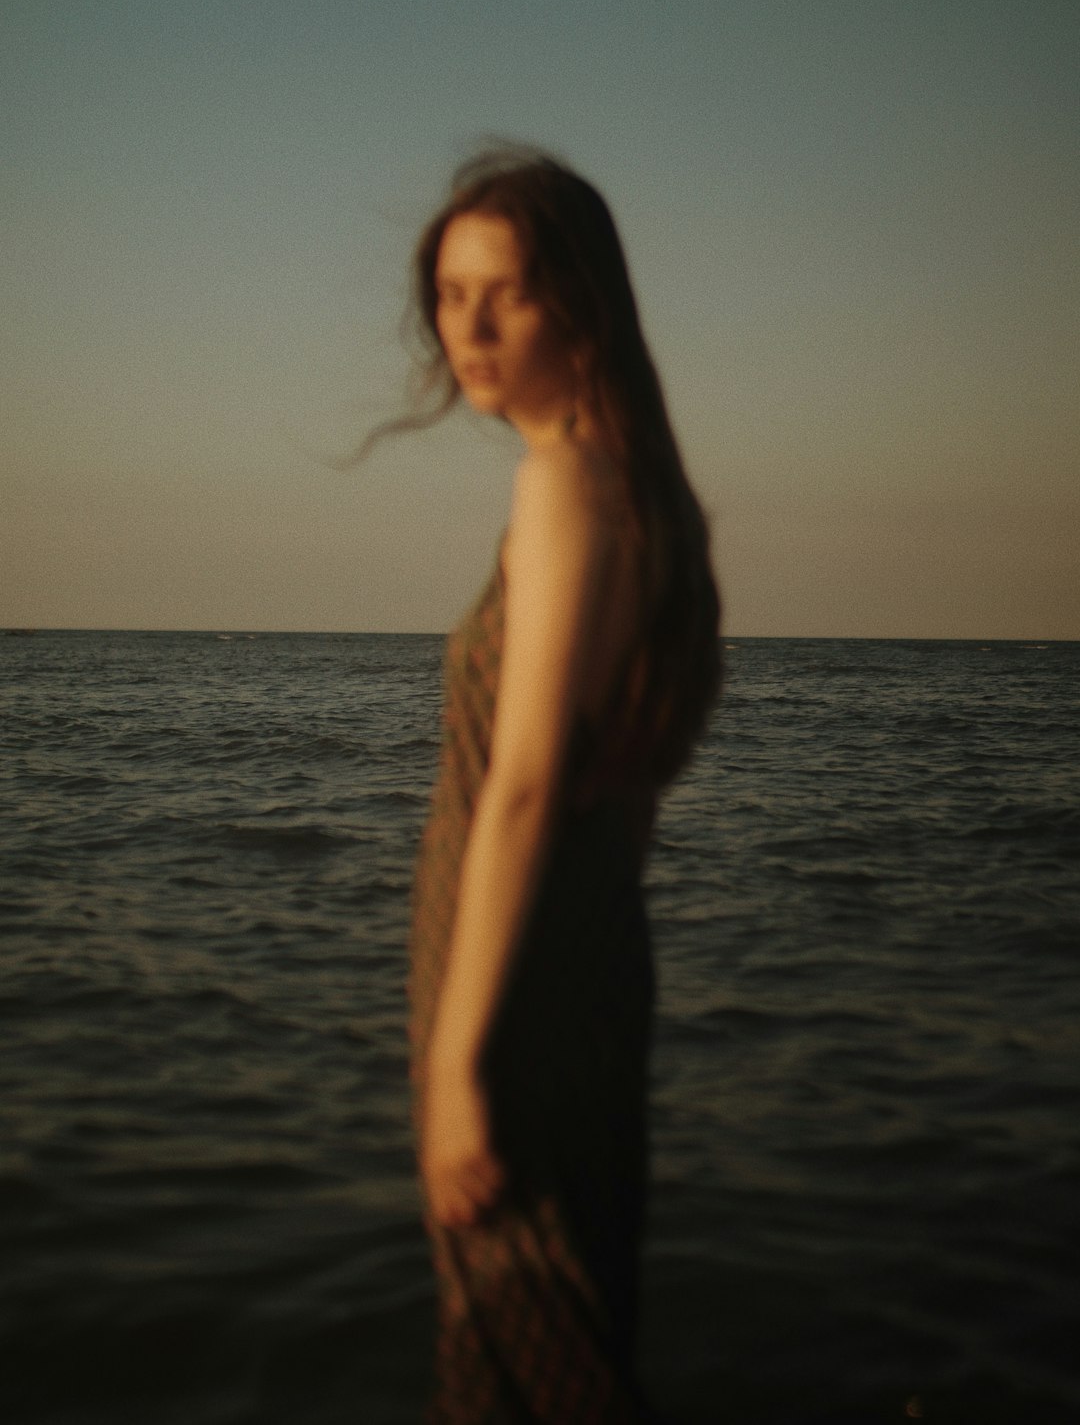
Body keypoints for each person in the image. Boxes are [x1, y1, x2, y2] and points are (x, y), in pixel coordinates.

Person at [404, 149, 720, 1422]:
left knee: (535, 1373)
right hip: (587, 976)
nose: (468, 327)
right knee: (552, 1352)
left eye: (508, 293)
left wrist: (459, 1065)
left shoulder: (565, 485)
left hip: (520, 1007)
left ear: (582, 304)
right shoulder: (649, 497)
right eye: (449, 292)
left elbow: (524, 788)